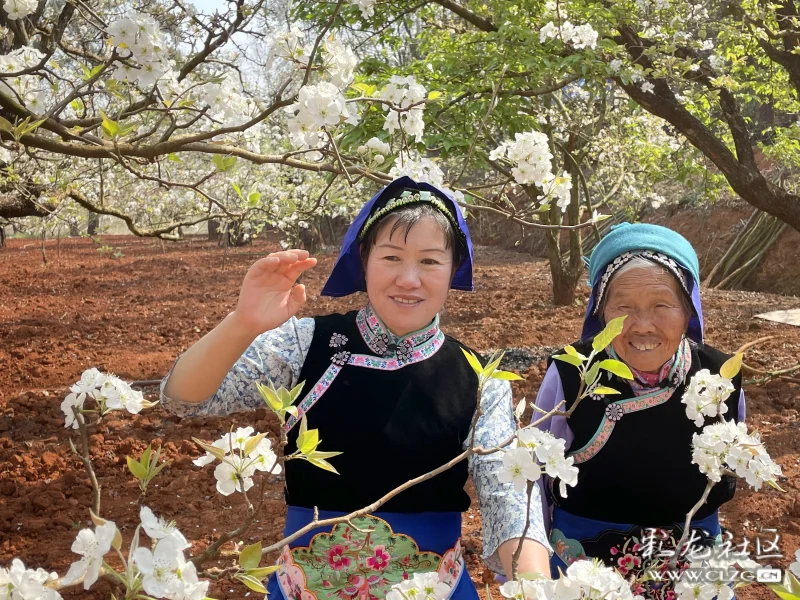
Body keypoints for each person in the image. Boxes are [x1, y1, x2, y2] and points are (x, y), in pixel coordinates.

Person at [161, 176, 551, 600]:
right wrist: (243, 323)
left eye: (430, 262)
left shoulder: (479, 379)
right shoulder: (305, 344)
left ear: (454, 269)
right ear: (363, 259)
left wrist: (536, 588)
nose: (408, 278)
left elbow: (508, 504)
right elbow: (183, 399)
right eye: (391, 257)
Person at [533, 223, 745, 586]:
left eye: (662, 305)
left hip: (690, 567)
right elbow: (533, 478)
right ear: (601, 312)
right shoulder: (572, 372)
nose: (642, 325)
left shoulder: (718, 377)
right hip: (584, 569)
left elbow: (733, 462)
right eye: (624, 306)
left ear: (688, 310)